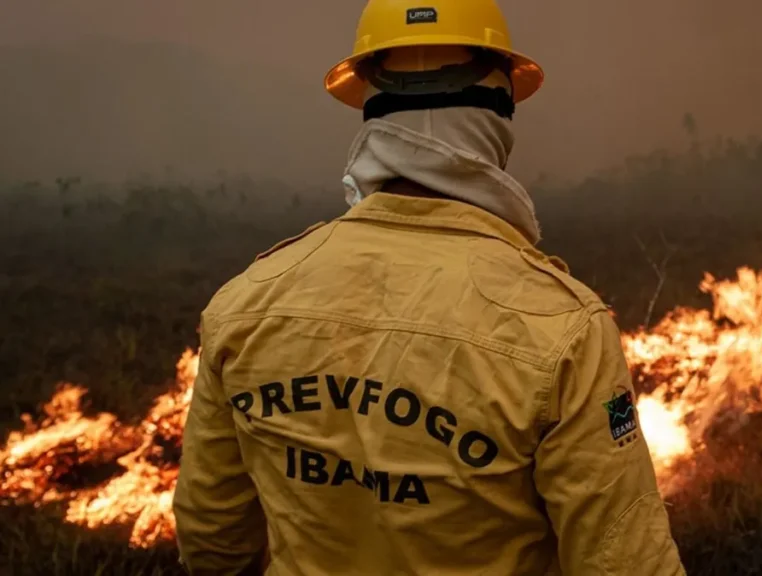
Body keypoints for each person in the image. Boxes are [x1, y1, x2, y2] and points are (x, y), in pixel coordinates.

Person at [172, 1, 686, 575]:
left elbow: (213, 542)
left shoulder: (245, 304)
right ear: (498, 112)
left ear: (371, 110)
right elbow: (625, 563)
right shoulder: (565, 329)